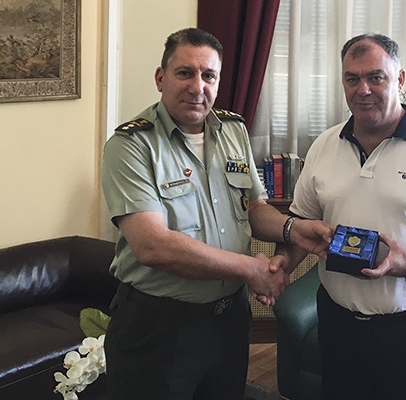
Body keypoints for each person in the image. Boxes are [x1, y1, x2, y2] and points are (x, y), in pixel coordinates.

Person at [101, 27, 332, 400]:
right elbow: (153, 246)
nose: (198, 86)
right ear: (160, 78)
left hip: (230, 322)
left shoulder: (232, 130)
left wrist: (293, 229)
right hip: (159, 326)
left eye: (208, 75)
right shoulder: (132, 146)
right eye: (184, 73)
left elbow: (254, 208)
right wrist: (251, 269)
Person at [271, 33, 406, 400]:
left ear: (400, 79)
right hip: (339, 324)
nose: (363, 90)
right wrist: (282, 263)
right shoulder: (324, 146)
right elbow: (301, 224)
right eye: (352, 79)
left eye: (376, 77)